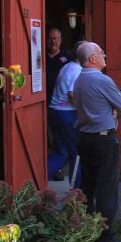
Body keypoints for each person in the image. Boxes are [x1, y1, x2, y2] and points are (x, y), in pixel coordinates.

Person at [73, 42, 121, 242]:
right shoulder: (102, 80)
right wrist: (113, 110)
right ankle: (106, 235)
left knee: (87, 187)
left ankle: (87, 229)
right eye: (100, 53)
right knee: (107, 188)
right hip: (104, 138)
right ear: (92, 59)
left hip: (85, 138)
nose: (104, 56)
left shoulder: (78, 80)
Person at [47, 41, 85, 188]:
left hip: (54, 112)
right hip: (67, 114)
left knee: (61, 152)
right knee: (76, 154)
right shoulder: (77, 70)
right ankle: (78, 193)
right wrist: (83, 110)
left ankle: (37, 183)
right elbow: (71, 93)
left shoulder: (66, 66)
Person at [45, 28, 73, 180]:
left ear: (61, 40)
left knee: (62, 144)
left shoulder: (66, 60)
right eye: (50, 38)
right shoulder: (40, 58)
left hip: (62, 108)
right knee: (51, 141)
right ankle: (50, 171)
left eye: (56, 38)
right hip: (45, 105)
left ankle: (57, 170)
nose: (53, 41)